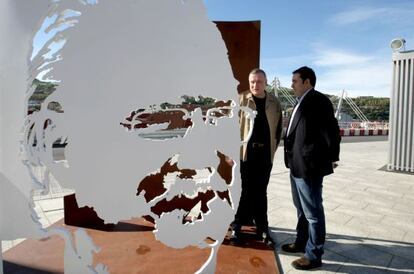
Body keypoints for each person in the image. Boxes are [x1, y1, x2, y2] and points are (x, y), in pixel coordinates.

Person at [282, 66, 340, 270]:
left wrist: (333, 157)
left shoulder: (319, 101)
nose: (291, 85)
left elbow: (332, 131)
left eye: (295, 81)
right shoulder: (300, 102)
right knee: (301, 209)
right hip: (296, 164)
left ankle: (314, 255)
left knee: (313, 212)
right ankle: (301, 242)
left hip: (309, 166)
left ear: (307, 82)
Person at [231, 68, 283, 245]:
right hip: (245, 155)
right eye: (252, 82)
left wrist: (272, 152)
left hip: (264, 156)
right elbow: (230, 129)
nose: (255, 85)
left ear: (266, 82)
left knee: (261, 193)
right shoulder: (241, 99)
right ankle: (236, 228)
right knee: (243, 192)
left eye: (259, 81)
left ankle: (263, 229)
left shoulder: (274, 103)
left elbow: (278, 130)